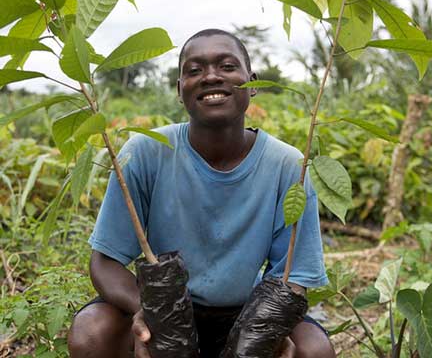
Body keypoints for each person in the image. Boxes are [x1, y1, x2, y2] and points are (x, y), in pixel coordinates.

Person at [68, 29, 335, 358]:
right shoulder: (146, 151)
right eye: (194, 70)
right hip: (166, 307)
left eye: (226, 66)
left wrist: (265, 331)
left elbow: (291, 276)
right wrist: (155, 313)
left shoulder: (289, 166)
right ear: (179, 90)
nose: (211, 77)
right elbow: (105, 262)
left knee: (314, 350)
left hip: (248, 310)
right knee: (92, 332)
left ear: (251, 82)